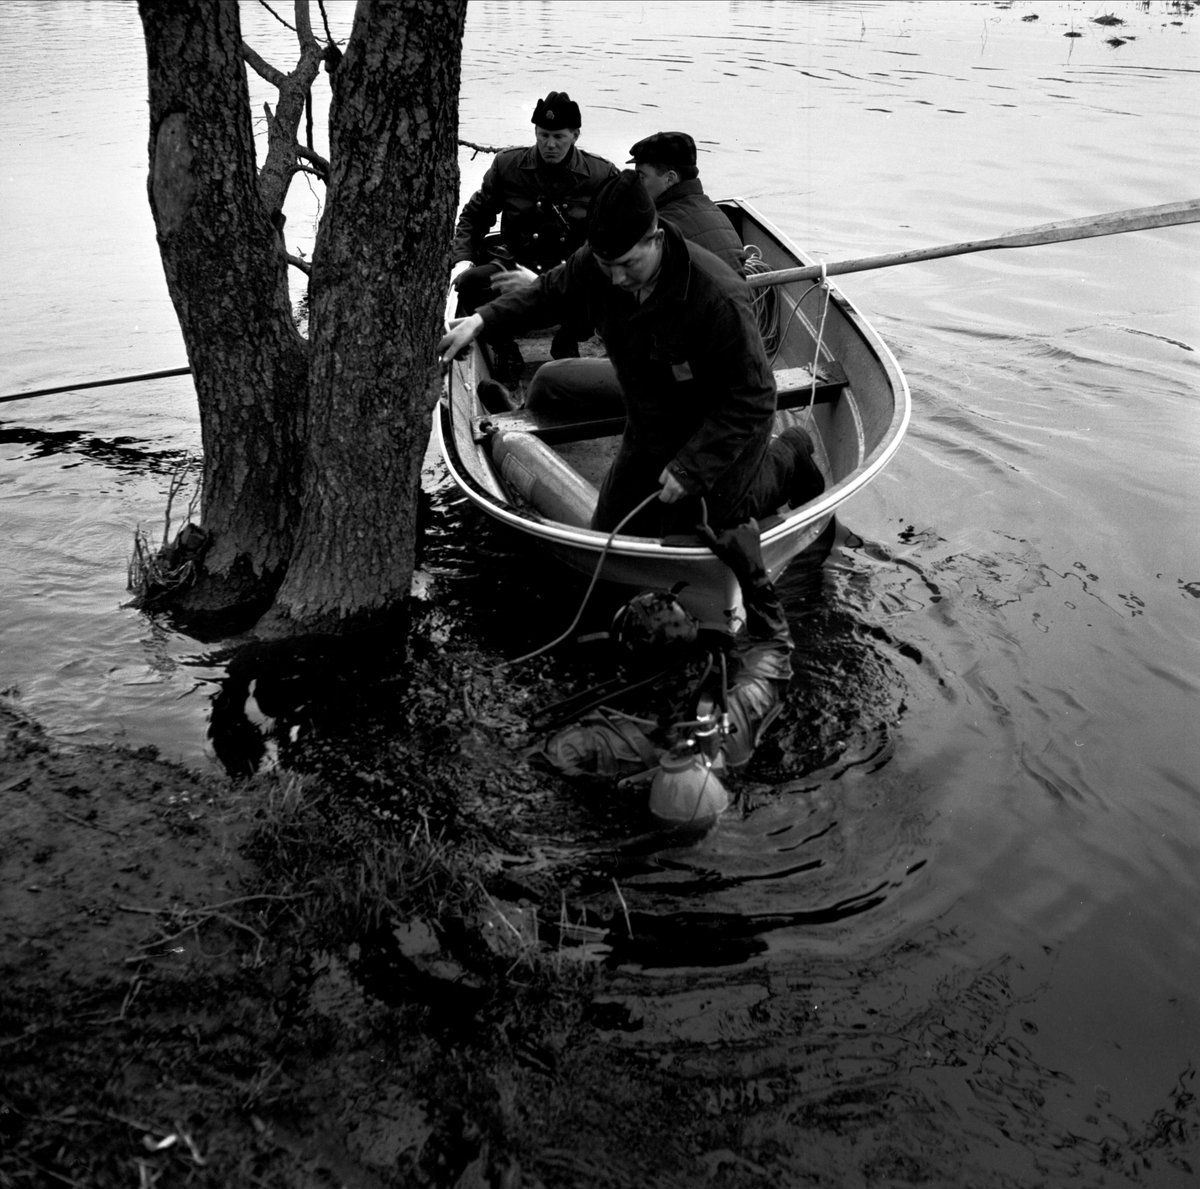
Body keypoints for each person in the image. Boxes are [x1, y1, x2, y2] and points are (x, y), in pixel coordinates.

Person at [439, 170, 823, 537]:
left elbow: (753, 397)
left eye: (628, 265)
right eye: (608, 267)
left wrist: (692, 467)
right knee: (611, 531)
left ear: (655, 240)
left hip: (716, 423)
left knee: (713, 521)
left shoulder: (717, 298)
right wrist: (482, 321)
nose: (617, 279)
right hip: (649, 418)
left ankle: (792, 455)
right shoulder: (599, 262)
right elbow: (549, 292)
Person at [539, 521, 796, 827]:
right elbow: (776, 644)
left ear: (625, 667)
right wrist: (750, 566)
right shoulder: (740, 709)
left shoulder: (587, 746)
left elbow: (535, 767)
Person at [451, 91, 618, 366]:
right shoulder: (508, 165)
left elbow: (616, 230)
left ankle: (568, 338)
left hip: (570, 270)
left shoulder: (600, 174)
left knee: (608, 282)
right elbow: (474, 215)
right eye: (543, 135)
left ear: (575, 135)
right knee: (468, 285)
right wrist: (462, 259)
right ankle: (504, 347)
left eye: (559, 137)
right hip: (516, 262)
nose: (549, 144)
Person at [628, 131, 745, 275]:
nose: (637, 185)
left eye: (641, 177)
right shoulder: (713, 210)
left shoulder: (660, 225)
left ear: (670, 179)